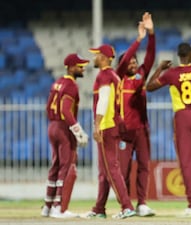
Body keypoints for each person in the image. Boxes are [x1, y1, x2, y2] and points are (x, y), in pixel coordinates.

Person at [146, 42, 191, 217]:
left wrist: (159, 68)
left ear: (178, 56)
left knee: (186, 161)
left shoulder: (173, 74)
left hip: (184, 116)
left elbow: (149, 87)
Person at [84, 43, 135, 219]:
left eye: (96, 55)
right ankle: (99, 208)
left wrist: (97, 125)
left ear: (104, 58)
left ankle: (127, 206)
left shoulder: (105, 75)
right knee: (104, 170)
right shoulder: (113, 75)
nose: (94, 58)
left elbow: (104, 101)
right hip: (112, 124)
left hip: (107, 125)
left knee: (111, 168)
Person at [116, 12, 156, 217]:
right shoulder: (119, 78)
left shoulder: (140, 77)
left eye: (134, 61)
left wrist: (151, 35)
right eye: (129, 62)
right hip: (124, 132)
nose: (133, 64)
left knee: (143, 166)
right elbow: (122, 65)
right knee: (122, 170)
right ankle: (125, 204)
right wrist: (138, 39)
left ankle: (142, 203)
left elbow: (149, 57)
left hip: (141, 130)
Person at [41, 53, 90, 218]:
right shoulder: (71, 85)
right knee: (66, 166)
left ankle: (47, 206)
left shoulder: (57, 83)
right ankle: (58, 207)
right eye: (80, 66)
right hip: (63, 128)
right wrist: (78, 131)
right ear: (70, 67)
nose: (83, 68)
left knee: (55, 166)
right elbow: (65, 110)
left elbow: (48, 107)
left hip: (52, 126)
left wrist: (54, 123)